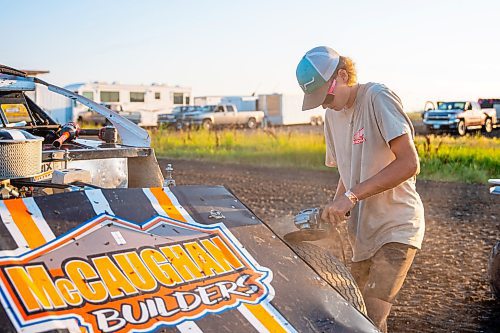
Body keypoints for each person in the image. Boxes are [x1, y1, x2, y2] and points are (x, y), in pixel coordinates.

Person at [295, 46, 425, 332]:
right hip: (362, 235)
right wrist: (335, 207)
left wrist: (351, 197)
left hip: (396, 226)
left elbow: (408, 164)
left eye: (326, 96)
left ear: (342, 75)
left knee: (370, 319)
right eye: (318, 100)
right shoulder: (332, 117)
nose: (324, 104)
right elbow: (348, 168)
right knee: (354, 316)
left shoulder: (377, 98)